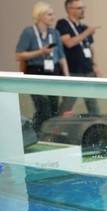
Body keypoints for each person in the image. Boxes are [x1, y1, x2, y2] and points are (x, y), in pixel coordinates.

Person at [15, 2, 70, 130]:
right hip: (36, 73)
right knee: (43, 107)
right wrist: (41, 52)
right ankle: (37, 132)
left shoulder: (55, 33)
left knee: (54, 108)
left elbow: (61, 57)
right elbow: (19, 55)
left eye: (53, 14)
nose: (53, 17)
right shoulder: (29, 32)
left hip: (53, 73)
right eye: (49, 14)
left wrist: (67, 77)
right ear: (40, 16)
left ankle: (47, 134)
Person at [56, 0, 100, 115]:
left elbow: (89, 48)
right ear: (69, 9)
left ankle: (97, 126)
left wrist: (94, 65)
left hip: (88, 71)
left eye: (83, 7)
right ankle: (57, 125)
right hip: (73, 72)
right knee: (67, 105)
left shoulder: (83, 27)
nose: (83, 10)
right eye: (79, 8)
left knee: (93, 105)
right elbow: (69, 43)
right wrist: (87, 32)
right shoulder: (63, 24)